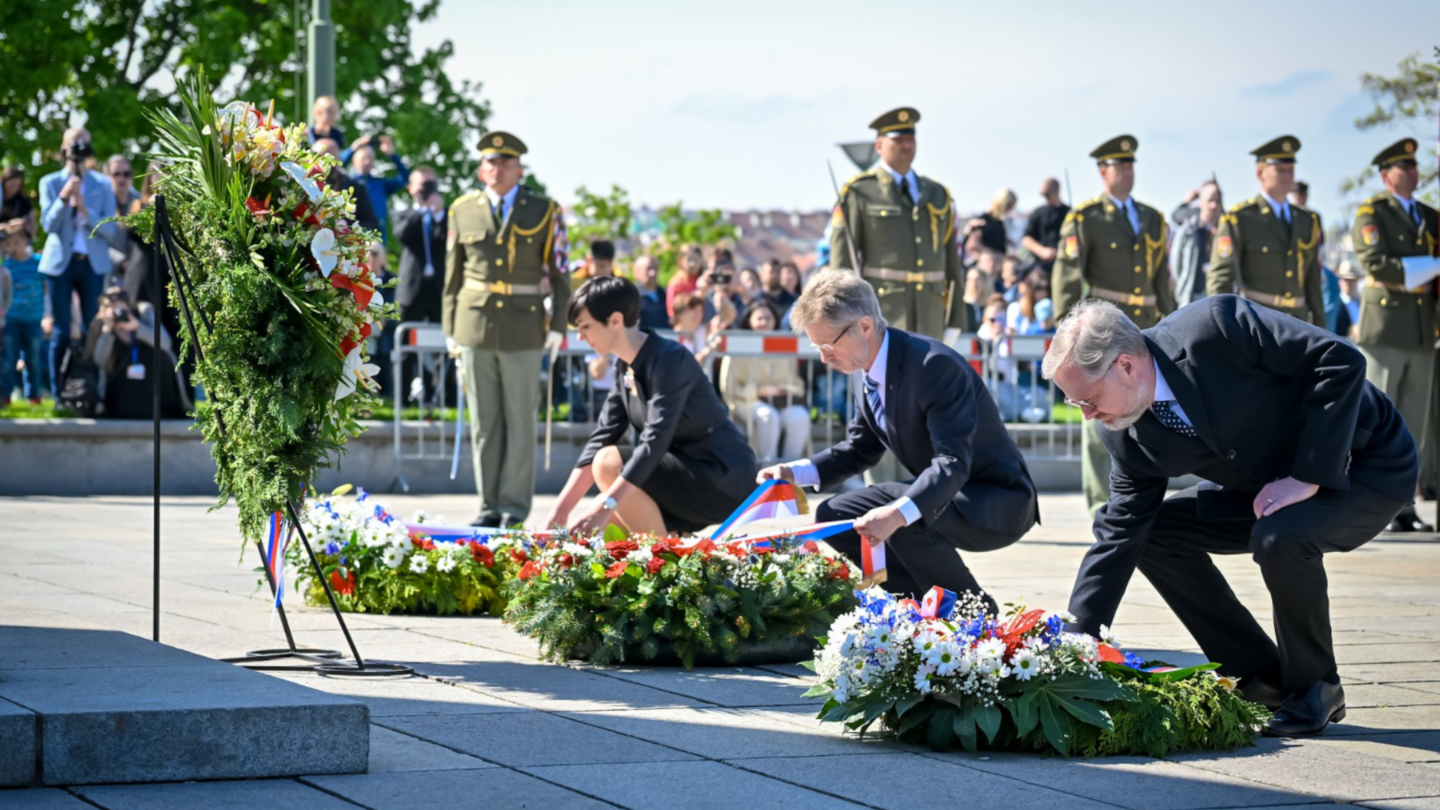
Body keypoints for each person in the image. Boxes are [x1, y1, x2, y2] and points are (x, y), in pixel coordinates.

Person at [1043, 296, 1417, 737]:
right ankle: (1266, 674)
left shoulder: (1216, 327)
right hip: (1263, 486)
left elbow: (1338, 360)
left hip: (1363, 465)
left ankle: (1317, 684)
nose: (1087, 414)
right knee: (1155, 534)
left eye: (1087, 398)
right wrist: (1075, 647)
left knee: (1280, 537)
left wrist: (1307, 475)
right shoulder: (1126, 433)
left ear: (1125, 365)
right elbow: (1120, 534)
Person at [758, 270, 1039, 607]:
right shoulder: (862, 365)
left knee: (905, 516)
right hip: (949, 490)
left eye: (828, 344)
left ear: (864, 326)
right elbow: (859, 449)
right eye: (816, 347)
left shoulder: (933, 366)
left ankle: (971, 611)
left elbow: (952, 461)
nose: (824, 357)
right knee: (833, 515)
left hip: (994, 500)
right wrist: (793, 473)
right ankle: (916, 604)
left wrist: (897, 513)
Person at [543, 276, 758, 535]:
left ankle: (662, 563)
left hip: (721, 478)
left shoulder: (669, 360)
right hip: (685, 474)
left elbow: (654, 440)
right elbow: (601, 438)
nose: (580, 336)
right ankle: (663, 554)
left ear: (615, 320)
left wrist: (607, 506)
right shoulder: (624, 365)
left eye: (585, 326)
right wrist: (560, 512)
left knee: (608, 467)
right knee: (599, 527)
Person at [445, 131, 570, 528]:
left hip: (524, 326)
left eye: (505, 163)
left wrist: (559, 325)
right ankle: (488, 505)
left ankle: (513, 510)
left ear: (519, 169)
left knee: (520, 421)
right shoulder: (462, 210)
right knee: (484, 424)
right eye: (490, 163)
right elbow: (452, 277)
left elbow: (562, 271)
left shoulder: (545, 210)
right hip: (474, 325)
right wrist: (450, 327)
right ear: (481, 170)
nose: (497, 169)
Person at [1052, 134, 1175, 515]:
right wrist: (1069, 331)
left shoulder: (1153, 218)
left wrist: (1171, 326)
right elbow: (1067, 277)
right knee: (1099, 416)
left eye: (1130, 165)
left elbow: (1160, 280)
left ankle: (1143, 499)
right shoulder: (1086, 218)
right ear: (1102, 172)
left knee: (1151, 413)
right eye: (1118, 166)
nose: (1126, 172)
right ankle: (1099, 505)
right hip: (1103, 331)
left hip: (1146, 327)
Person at [1351, 137, 1437, 531]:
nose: (1413, 172)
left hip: (1420, 329)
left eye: (1415, 165)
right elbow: (1375, 262)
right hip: (1385, 328)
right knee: (1376, 421)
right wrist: (1427, 267)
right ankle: (1368, 503)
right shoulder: (1373, 212)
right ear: (1387, 176)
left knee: (1413, 425)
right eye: (1404, 167)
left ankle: (1403, 505)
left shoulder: (1429, 215)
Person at [829, 108, 967, 342]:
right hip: (883, 311)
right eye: (898, 140)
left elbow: (951, 262)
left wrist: (955, 319)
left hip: (931, 314)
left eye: (910, 139)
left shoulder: (937, 194)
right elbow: (843, 265)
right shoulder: (859, 193)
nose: (906, 145)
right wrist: (845, 320)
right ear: (879, 146)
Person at [1206, 137, 1325, 326]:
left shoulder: (1307, 221)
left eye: (1291, 170)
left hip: (1299, 323)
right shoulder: (1240, 218)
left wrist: (1321, 326)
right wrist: (1223, 327)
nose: (1288, 176)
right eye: (1280, 170)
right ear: (1260, 173)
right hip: (1257, 323)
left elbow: (1312, 281)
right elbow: (1221, 279)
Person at [39, 126, 118, 391]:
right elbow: (47, 226)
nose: (77, 149)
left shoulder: (103, 183)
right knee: (61, 330)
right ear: (63, 149)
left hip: (91, 264)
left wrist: (86, 210)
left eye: (82, 142)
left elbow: (110, 229)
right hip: (60, 264)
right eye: (73, 143)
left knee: (91, 327)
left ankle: (90, 387)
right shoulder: (50, 182)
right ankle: (58, 392)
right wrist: (64, 198)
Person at [721, 300, 811, 465]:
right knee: (768, 416)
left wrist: (783, 389)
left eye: (768, 318)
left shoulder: (783, 343)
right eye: (760, 318)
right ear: (750, 320)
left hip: (781, 402)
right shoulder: (738, 344)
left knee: (800, 417)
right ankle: (768, 470)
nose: (764, 322)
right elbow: (729, 387)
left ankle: (791, 473)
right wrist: (758, 391)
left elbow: (797, 383)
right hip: (746, 402)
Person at [83, 286, 190, 418]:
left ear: (128, 305)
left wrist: (138, 327)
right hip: (120, 391)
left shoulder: (143, 311)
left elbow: (166, 344)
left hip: (152, 383)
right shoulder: (101, 323)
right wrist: (108, 331)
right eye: (109, 307)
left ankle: (168, 410)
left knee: (162, 357)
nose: (115, 311)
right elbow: (99, 360)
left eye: (118, 306)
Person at [2, 224, 46, 404]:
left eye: (16, 243)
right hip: (12, 319)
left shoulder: (38, 263)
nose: (12, 248)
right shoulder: (6, 266)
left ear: (25, 241)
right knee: (8, 359)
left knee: (33, 360)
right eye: (8, 244)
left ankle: (33, 396)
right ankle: (5, 395)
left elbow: (44, 288)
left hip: (33, 319)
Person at [1170, 180, 1223, 308]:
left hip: (1220, 302)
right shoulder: (1188, 230)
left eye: (1217, 201)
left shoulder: (1227, 231)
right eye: (1210, 200)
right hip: (1191, 300)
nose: (1213, 205)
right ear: (1200, 202)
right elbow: (1177, 267)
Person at [312, 139, 381, 234]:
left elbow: (371, 225)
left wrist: (344, 227)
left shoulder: (356, 187)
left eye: (329, 161)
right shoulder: (304, 181)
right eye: (318, 158)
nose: (323, 166)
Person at [347, 136, 409, 242]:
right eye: (363, 158)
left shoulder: (380, 185)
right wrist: (352, 149)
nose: (367, 162)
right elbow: (332, 170)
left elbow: (405, 178)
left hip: (376, 238)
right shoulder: (346, 182)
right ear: (354, 161)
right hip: (350, 236)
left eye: (370, 158)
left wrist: (392, 155)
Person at [1019, 178, 1069, 273]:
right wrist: (1042, 251)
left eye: (1047, 194)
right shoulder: (1038, 213)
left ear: (1056, 191)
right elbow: (1026, 239)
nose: (1045, 198)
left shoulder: (1069, 213)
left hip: (1064, 264)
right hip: (1041, 267)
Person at [966, 187, 1015, 257]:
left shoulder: (999, 222)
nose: (1010, 209)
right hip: (985, 264)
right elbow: (972, 245)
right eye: (1009, 206)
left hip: (997, 264)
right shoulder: (982, 221)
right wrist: (993, 254)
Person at [630, 254, 669, 331]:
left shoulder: (666, 294)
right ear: (636, 271)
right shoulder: (630, 296)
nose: (653, 273)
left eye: (655, 269)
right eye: (648, 269)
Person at [665, 244, 703, 319]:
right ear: (681, 260)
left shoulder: (700, 280)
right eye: (689, 260)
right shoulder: (676, 282)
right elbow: (671, 310)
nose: (693, 264)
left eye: (696, 260)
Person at [2, 165, 36, 241]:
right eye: (12, 185)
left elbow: (33, 229)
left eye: (17, 186)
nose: (14, 189)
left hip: (18, 241)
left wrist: (26, 226)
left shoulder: (23, 201)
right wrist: (9, 225)